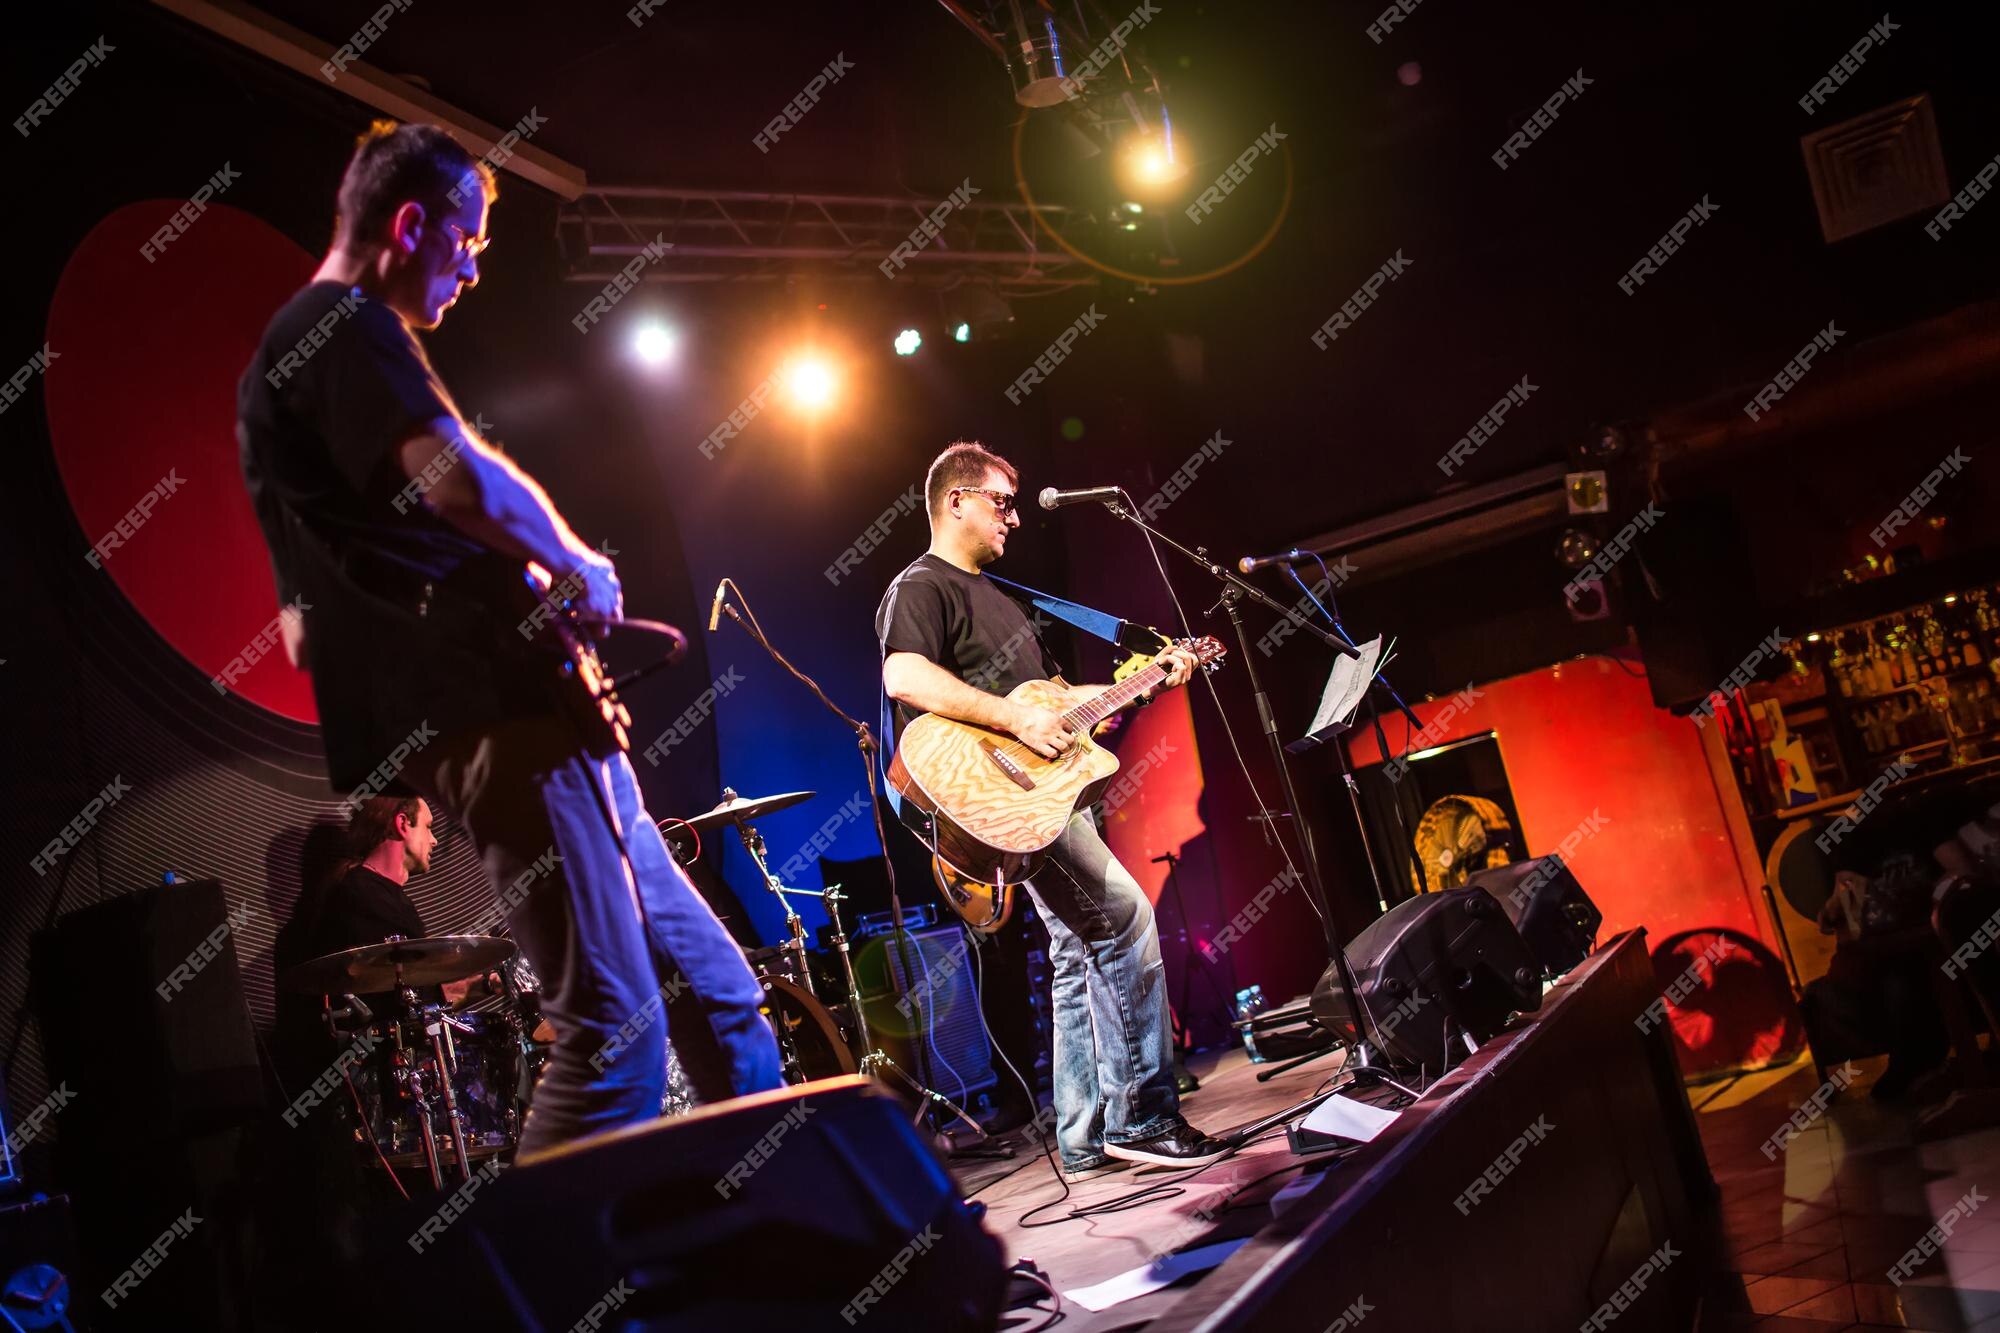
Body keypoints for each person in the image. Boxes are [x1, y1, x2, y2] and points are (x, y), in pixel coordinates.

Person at [237, 119, 780, 1157]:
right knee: (614, 1038)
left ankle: (812, 1252)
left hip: (531, 706)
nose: (475, 269)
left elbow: (307, 627)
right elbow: (453, 475)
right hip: (502, 713)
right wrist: (574, 560)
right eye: (469, 239)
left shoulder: (286, 383)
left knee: (718, 998)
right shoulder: (334, 324)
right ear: (410, 222)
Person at [876, 441, 1227, 1175]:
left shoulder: (1007, 598)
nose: (1013, 517)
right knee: (1126, 918)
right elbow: (904, 674)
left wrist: (1141, 684)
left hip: (1047, 795)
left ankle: (1083, 1131)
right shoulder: (921, 585)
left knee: (1075, 953)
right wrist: (1014, 720)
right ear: (956, 501)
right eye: (1002, 501)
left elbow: (1054, 713)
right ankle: (1144, 1112)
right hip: (998, 794)